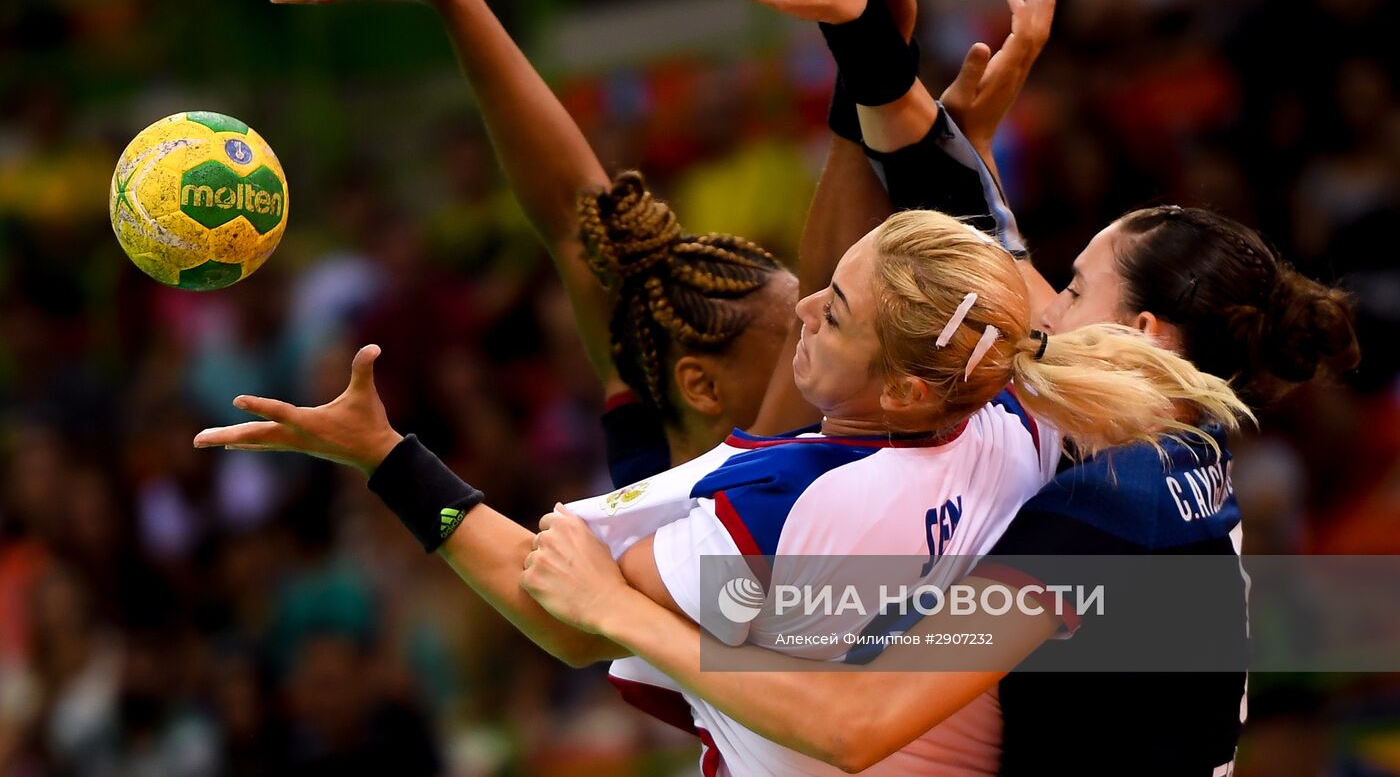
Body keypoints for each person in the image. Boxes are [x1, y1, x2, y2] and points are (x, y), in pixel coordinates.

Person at [513, 0, 1362, 776]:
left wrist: (617, 611)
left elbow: (855, 724)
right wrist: (862, 38)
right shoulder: (1163, 450)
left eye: (1074, 289)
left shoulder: (1107, 513)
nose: (1043, 301)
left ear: (1141, 336)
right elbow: (979, 226)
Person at [195, 200, 1248, 775]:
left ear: (896, 380)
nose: (804, 313)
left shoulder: (785, 506)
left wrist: (386, 459)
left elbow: (556, 615)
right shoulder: (1015, 426)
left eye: (829, 312)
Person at [248, 0, 1054, 480]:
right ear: (704, 388)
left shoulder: (654, 438)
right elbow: (828, 273)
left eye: (825, 318)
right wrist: (870, 60)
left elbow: (575, 216)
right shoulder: (755, 481)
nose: (820, 317)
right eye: (813, 321)